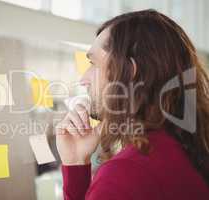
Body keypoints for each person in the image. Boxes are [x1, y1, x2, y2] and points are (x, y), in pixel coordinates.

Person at [56, 9, 209, 200]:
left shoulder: (124, 175)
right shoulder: (190, 147)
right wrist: (76, 160)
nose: (83, 79)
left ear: (129, 71)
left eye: (93, 64)